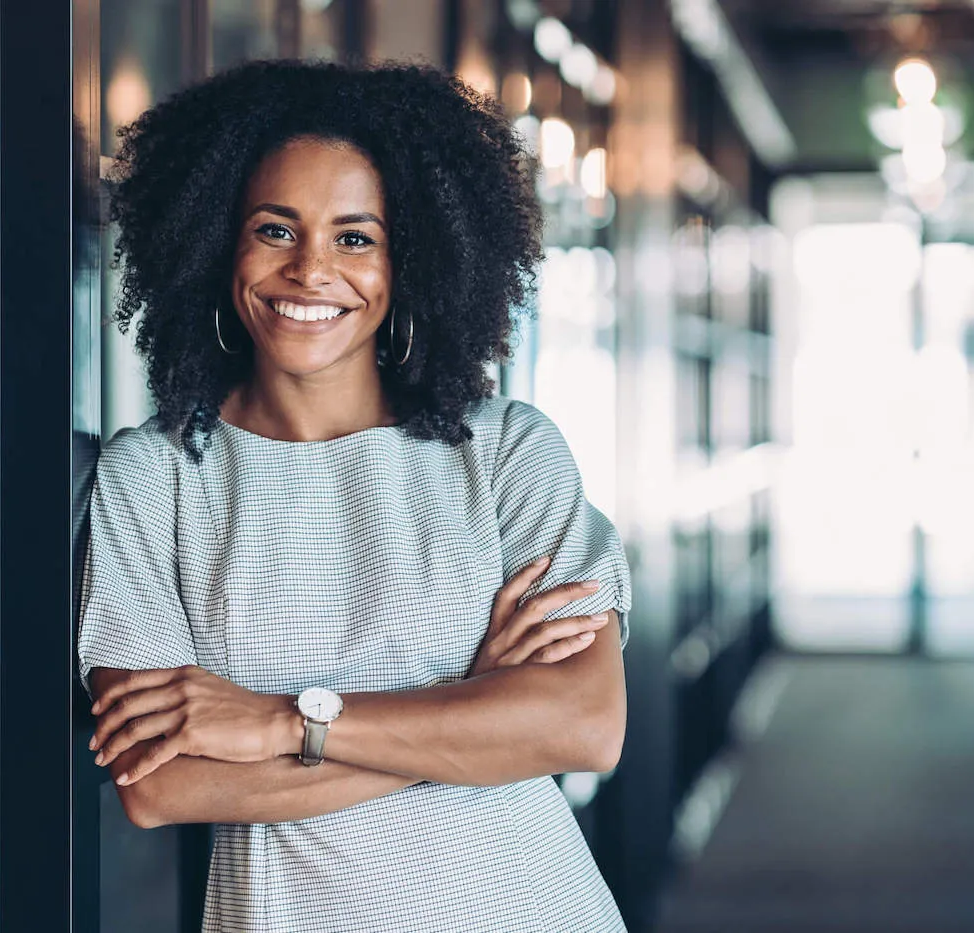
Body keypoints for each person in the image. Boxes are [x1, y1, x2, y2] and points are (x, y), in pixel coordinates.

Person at [77, 59, 633, 932]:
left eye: (355, 237)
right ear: (217, 242)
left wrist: (279, 723)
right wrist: (474, 713)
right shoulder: (154, 481)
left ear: (408, 260)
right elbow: (162, 785)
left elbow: (585, 723)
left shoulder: (506, 453)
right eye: (274, 229)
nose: (310, 270)